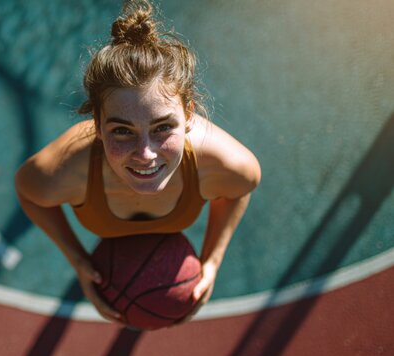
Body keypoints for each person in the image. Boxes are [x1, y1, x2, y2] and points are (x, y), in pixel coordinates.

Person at [15, 0, 261, 325]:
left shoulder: (226, 165)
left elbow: (239, 190)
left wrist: (212, 259)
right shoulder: (63, 172)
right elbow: (28, 193)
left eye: (162, 127)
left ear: (188, 115)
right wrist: (77, 259)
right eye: (121, 131)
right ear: (97, 125)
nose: (145, 154)